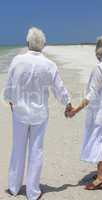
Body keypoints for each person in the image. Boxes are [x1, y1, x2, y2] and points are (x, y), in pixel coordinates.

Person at [4, 27, 72, 200]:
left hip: (19, 112)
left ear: (27, 43)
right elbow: (59, 88)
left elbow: (9, 85)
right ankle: (33, 192)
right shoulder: (49, 64)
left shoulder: (17, 60)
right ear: (43, 45)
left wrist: (10, 100)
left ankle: (13, 187)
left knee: (17, 149)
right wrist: (67, 103)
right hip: (39, 113)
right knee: (36, 151)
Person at [66, 35, 102, 190]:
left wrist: (75, 109)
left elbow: (91, 94)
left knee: (97, 140)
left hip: (101, 110)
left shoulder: (99, 68)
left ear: (99, 50)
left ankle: (101, 177)